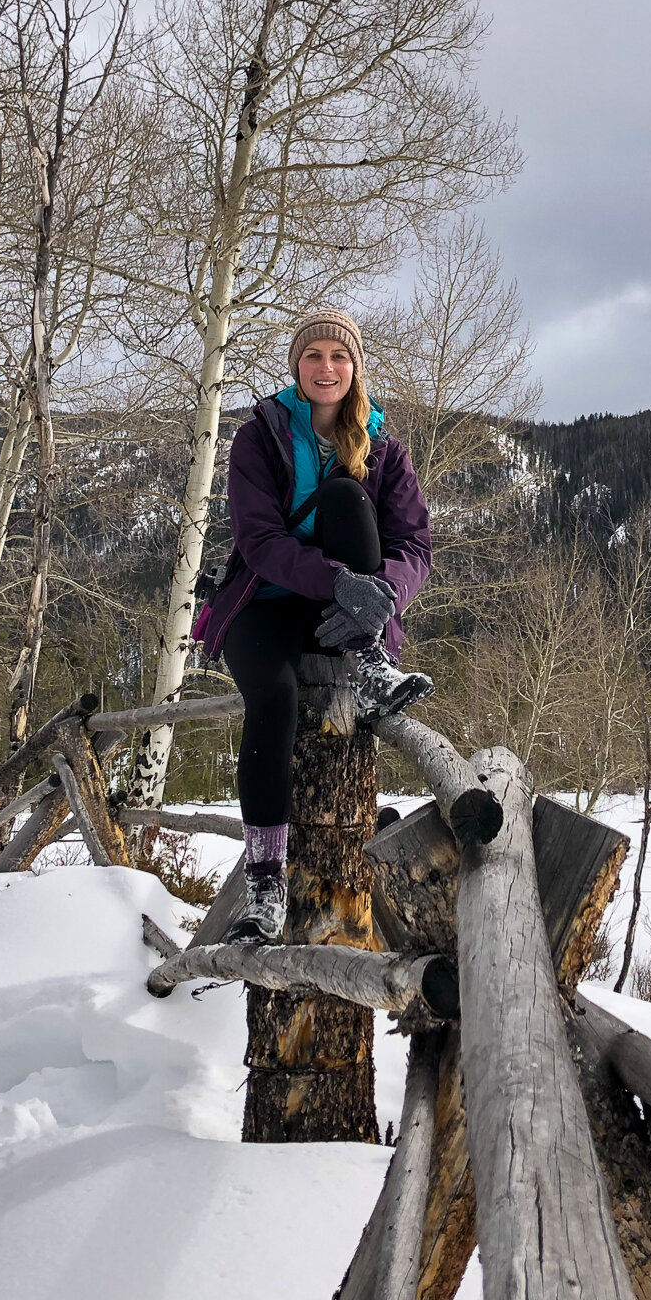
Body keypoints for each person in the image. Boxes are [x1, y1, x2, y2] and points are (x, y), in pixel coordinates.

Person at [195, 310, 433, 945]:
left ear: (355, 369)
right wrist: (339, 582)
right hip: (265, 601)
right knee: (273, 698)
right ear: (296, 367)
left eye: (339, 356)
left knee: (347, 499)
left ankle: (371, 665)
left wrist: (384, 592)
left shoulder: (383, 448)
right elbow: (261, 540)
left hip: (347, 617)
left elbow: (415, 545)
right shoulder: (260, 438)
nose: (327, 367)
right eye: (314, 356)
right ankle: (266, 884)